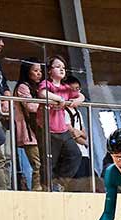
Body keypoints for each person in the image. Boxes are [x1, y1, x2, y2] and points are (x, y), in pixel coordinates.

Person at [37, 55, 85, 191]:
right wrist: (59, 99)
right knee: (48, 161)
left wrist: (78, 100)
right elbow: (43, 93)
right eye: (58, 67)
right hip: (48, 128)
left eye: (63, 67)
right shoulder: (48, 84)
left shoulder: (65, 88)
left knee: (75, 154)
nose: (61, 69)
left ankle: (60, 180)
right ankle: (47, 187)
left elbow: (80, 95)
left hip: (62, 129)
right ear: (50, 70)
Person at [12, 57, 43, 191]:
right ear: (27, 72)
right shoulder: (23, 87)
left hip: (37, 130)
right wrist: (46, 103)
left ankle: (41, 187)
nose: (39, 73)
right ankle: (37, 189)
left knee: (41, 162)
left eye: (40, 71)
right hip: (28, 131)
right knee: (36, 163)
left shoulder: (37, 88)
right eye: (35, 70)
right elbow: (31, 107)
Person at [0, 36, 11, 190]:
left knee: (6, 156)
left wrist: (7, 98)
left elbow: (4, 84)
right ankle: (2, 190)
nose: (2, 43)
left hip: (1, 112)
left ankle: (5, 187)